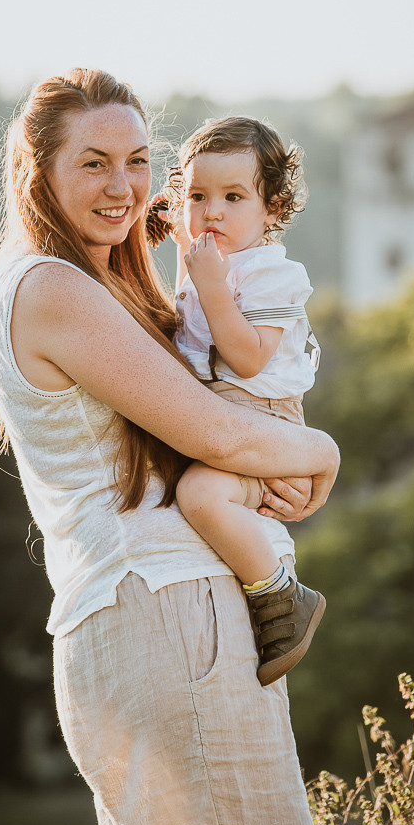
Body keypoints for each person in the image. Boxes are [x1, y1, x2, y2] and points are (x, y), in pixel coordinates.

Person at [0, 69, 338, 825]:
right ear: (36, 170)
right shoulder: (53, 287)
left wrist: (261, 474)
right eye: (93, 163)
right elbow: (212, 429)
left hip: (132, 622)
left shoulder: (95, 281)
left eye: (138, 161)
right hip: (168, 612)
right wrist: (316, 452)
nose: (122, 186)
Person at [160, 116, 325, 687]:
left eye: (233, 197)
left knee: (200, 494)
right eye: (197, 197)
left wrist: (208, 282)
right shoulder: (207, 259)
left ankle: (280, 597)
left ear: (272, 209)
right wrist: (178, 244)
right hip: (220, 418)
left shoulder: (273, 273)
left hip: (262, 419)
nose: (212, 212)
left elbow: (249, 357)